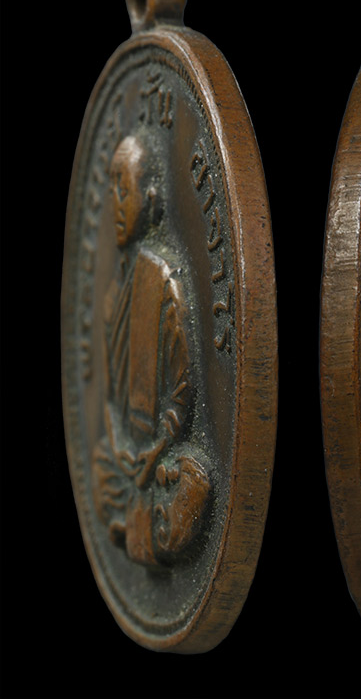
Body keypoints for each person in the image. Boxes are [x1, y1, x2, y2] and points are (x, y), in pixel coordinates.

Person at [92, 135, 210, 567]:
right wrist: (121, 446)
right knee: (100, 467)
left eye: (126, 189)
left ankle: (140, 522)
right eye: (112, 190)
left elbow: (181, 392)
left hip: (161, 457)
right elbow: (110, 399)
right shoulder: (111, 299)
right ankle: (143, 523)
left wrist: (157, 450)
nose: (117, 204)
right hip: (127, 459)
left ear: (152, 198)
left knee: (195, 485)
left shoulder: (163, 283)